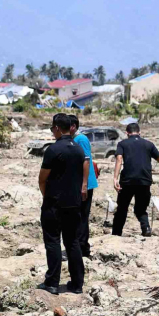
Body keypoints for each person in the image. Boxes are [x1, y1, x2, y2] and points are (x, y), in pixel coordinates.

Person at [37, 114, 87, 295]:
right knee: (72, 242)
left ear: (57, 128)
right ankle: (77, 283)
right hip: (73, 204)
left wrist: (47, 197)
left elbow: (42, 179)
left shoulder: (53, 150)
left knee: (53, 242)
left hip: (54, 204)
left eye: (52, 128)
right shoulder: (78, 149)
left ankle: (52, 283)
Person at [112, 123, 159, 237]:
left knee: (122, 208)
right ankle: (146, 228)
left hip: (127, 181)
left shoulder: (122, 144)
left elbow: (119, 159)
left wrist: (115, 178)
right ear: (139, 132)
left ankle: (116, 234)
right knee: (141, 209)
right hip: (144, 181)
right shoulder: (149, 144)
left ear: (127, 133)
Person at [69, 115, 97, 258]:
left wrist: (84, 185)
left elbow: (86, 161)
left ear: (73, 126)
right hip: (79, 183)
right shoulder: (74, 140)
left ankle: (83, 248)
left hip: (85, 184)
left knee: (82, 217)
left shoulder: (81, 139)